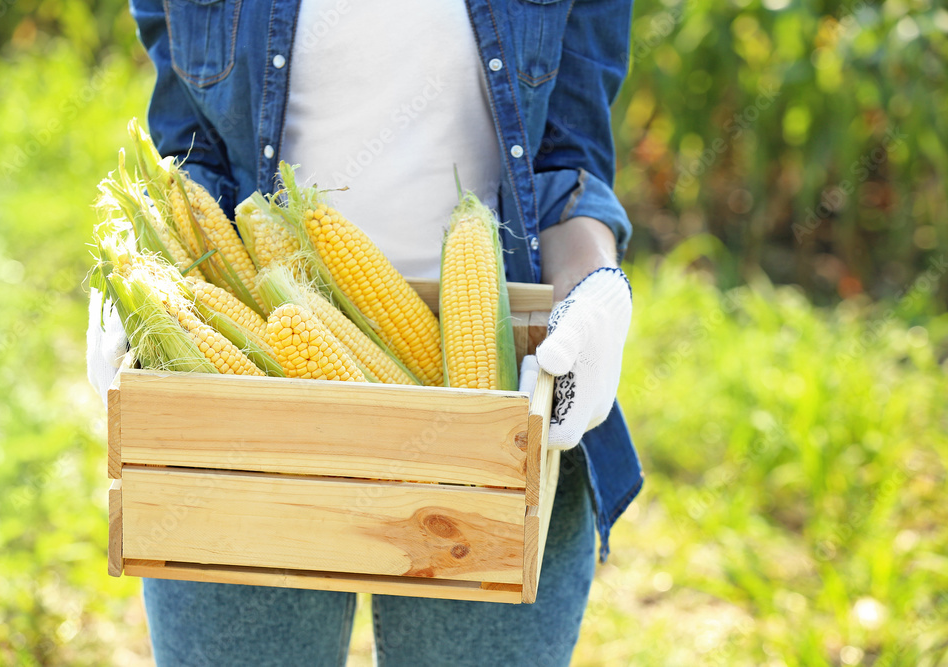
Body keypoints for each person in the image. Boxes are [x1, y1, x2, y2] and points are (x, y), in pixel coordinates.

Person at [87, 0, 642, 664]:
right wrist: (147, 280)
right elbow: (196, 147)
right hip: (247, 414)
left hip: (487, 418)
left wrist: (594, 287)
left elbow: (567, 162)